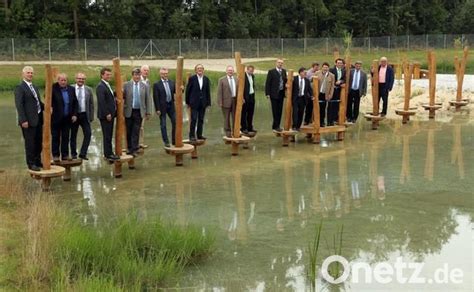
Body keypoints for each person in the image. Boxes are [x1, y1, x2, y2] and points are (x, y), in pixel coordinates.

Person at [14, 66, 44, 171]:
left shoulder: (34, 87)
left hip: (38, 119)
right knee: (30, 143)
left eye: (31, 73)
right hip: (28, 121)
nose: (30, 74)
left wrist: (48, 107)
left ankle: (37, 161)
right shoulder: (20, 87)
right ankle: (31, 164)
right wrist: (23, 120)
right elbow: (19, 105)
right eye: (28, 73)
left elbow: (38, 103)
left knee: (38, 142)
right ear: (23, 74)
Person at [51, 73, 78, 161]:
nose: (63, 82)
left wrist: (74, 114)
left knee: (66, 137)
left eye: (65, 80)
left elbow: (75, 103)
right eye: (61, 80)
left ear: (67, 81)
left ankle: (65, 155)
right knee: (55, 137)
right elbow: (47, 99)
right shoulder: (53, 88)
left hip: (67, 118)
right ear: (58, 80)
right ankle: (55, 155)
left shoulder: (71, 89)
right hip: (56, 118)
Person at [96, 67, 119, 161]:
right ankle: (108, 154)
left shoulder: (106, 84)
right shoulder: (100, 86)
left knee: (109, 134)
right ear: (102, 75)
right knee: (107, 135)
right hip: (106, 115)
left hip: (110, 114)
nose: (109, 76)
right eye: (107, 74)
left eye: (110, 74)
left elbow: (109, 96)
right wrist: (107, 114)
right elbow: (102, 102)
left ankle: (109, 152)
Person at [71, 72, 94, 160]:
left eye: (83, 79)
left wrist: (91, 116)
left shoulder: (89, 89)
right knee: (73, 135)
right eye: (79, 78)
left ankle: (83, 153)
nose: (81, 80)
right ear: (75, 79)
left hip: (85, 115)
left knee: (88, 134)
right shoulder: (71, 88)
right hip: (74, 115)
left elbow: (91, 104)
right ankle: (73, 154)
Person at [185, 64, 211, 141]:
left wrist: (208, 103)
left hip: (203, 103)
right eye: (198, 68)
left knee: (201, 119)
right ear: (195, 70)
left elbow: (207, 91)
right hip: (194, 103)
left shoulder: (206, 79)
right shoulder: (192, 79)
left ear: (203, 70)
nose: (200, 69)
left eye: (201, 68)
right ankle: (192, 136)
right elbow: (188, 91)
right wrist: (187, 102)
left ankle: (199, 135)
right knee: (194, 119)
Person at [153, 67, 176, 147]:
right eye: (163, 74)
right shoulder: (157, 84)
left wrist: (182, 89)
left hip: (171, 105)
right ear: (160, 74)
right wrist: (157, 109)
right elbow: (155, 97)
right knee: (163, 124)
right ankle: (166, 141)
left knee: (175, 122)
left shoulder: (172, 82)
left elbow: (176, 91)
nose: (165, 75)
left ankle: (174, 140)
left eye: (166, 73)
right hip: (162, 107)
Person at [265, 59, 287, 132]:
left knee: (280, 110)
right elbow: (268, 83)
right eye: (279, 63)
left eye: (281, 63)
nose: (280, 64)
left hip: (281, 93)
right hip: (273, 94)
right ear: (276, 63)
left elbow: (285, 81)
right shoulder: (271, 72)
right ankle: (276, 126)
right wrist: (267, 93)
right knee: (275, 110)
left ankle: (276, 126)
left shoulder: (284, 71)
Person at [217, 65, 238, 137]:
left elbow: (239, 90)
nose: (230, 71)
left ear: (233, 71)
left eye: (231, 70)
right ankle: (228, 132)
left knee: (235, 117)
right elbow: (219, 92)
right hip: (225, 101)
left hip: (235, 100)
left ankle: (235, 131)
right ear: (226, 71)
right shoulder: (221, 80)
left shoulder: (236, 79)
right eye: (229, 70)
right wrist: (220, 102)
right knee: (226, 117)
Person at [314, 62, 335, 127]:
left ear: (328, 68)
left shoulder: (332, 76)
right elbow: (313, 83)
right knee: (316, 108)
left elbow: (332, 87)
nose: (325, 68)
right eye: (324, 67)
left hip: (325, 94)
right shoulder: (317, 73)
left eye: (326, 67)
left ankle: (322, 122)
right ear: (322, 67)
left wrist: (330, 95)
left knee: (323, 109)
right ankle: (315, 121)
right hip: (318, 93)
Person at [328, 58, 346, 125]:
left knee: (337, 105)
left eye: (341, 63)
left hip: (339, 90)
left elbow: (344, 79)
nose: (339, 64)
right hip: (332, 89)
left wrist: (341, 81)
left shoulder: (343, 71)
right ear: (335, 63)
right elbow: (329, 79)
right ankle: (329, 121)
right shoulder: (331, 70)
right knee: (331, 105)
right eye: (338, 63)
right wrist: (335, 83)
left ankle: (334, 119)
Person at [241, 65, 256, 134]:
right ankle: (244, 128)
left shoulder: (252, 76)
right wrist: (242, 97)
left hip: (251, 96)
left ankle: (250, 127)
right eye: (250, 71)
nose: (251, 72)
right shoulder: (243, 76)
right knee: (244, 113)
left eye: (252, 71)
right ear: (247, 70)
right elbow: (240, 88)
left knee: (251, 113)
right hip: (245, 96)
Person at [139, 64, 151, 147]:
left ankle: (141, 143)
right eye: (144, 70)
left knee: (142, 127)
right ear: (141, 71)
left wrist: (148, 111)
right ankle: (136, 143)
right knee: (137, 127)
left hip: (144, 108)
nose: (146, 72)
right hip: (136, 108)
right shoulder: (137, 80)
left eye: (147, 70)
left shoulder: (148, 81)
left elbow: (148, 97)